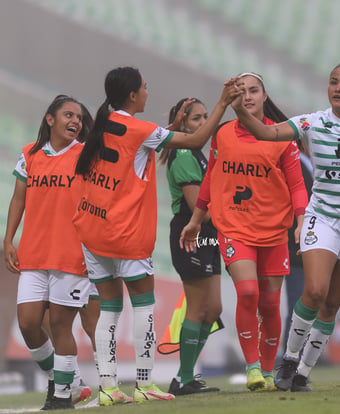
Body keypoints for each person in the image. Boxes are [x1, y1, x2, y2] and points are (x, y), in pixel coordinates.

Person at [231, 58, 340, 391]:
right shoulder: (312, 122)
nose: (337, 88)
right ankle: (288, 359)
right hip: (322, 217)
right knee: (314, 291)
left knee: (331, 303)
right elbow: (267, 133)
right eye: (333, 82)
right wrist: (240, 109)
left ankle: (303, 375)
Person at [72, 66, 241, 406]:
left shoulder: (104, 124)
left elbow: (136, 143)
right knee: (143, 308)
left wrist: (171, 128)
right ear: (133, 95)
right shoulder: (138, 129)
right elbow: (195, 141)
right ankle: (146, 383)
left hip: (93, 230)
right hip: (125, 235)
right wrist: (222, 104)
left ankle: (108, 387)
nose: (149, 91)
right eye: (145, 87)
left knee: (108, 310)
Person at [180, 72, 308, 392]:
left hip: (275, 231)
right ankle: (252, 368)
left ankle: (267, 371)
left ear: (265, 97)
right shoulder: (222, 134)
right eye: (243, 91)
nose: (248, 96)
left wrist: (302, 219)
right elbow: (211, 177)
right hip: (235, 227)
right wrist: (196, 219)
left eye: (254, 91)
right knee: (248, 292)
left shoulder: (282, 137)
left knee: (269, 303)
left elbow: (296, 184)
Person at [3, 95, 98, 410]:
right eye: (68, 115)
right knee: (29, 324)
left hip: (71, 256)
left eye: (79, 118)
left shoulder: (86, 156)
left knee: (60, 325)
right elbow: (19, 200)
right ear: (50, 119)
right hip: (33, 254)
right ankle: (68, 383)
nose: (75, 121)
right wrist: (9, 239)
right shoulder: (30, 155)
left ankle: (61, 397)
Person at [159, 98, 222, 396]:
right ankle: (184, 378)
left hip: (209, 233)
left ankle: (184, 376)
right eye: (196, 118)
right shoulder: (184, 154)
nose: (203, 122)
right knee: (197, 308)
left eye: (205, 116)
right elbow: (198, 208)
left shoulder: (198, 153)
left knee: (214, 308)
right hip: (191, 230)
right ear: (182, 123)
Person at [282, 151, 313, 351]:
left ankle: (295, 357)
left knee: (302, 305)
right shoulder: (294, 163)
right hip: (296, 247)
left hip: (305, 246)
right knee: (298, 306)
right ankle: (290, 358)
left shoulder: (305, 162)